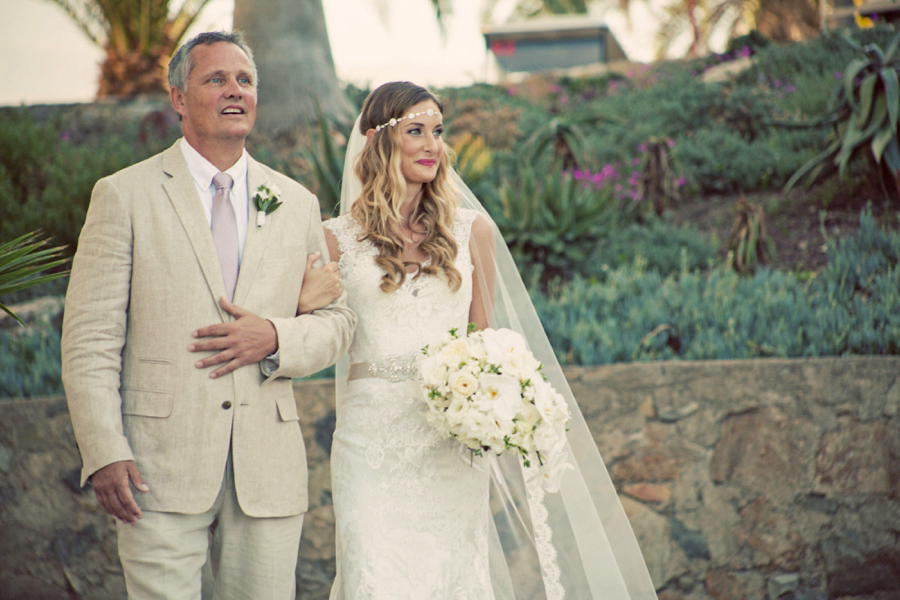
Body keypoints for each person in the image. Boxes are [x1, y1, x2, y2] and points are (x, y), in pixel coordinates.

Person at [321, 81, 659, 599]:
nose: (433, 145)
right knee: (375, 573)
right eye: (416, 131)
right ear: (377, 143)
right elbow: (323, 332)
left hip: (446, 441)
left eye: (438, 131)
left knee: (453, 576)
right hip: (370, 442)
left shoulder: (471, 231)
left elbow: (484, 341)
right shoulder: (334, 238)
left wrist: (489, 402)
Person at [61, 31, 355, 600]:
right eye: (215, 78)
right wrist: (105, 450)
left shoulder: (295, 202)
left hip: (266, 471)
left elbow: (338, 323)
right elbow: (90, 340)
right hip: (157, 470)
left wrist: (274, 336)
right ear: (177, 97)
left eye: (244, 80)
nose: (234, 91)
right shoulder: (124, 195)